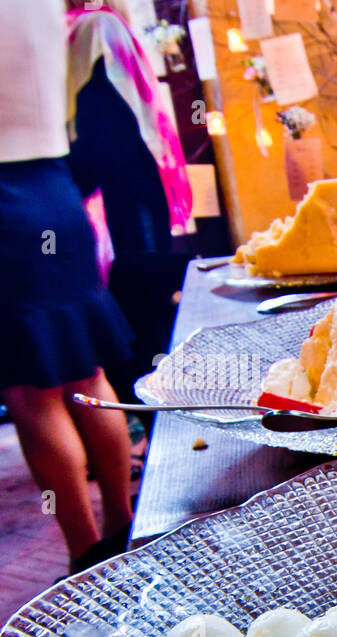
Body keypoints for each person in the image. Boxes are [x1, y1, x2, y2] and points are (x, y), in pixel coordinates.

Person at [0, 0, 136, 572]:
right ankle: (125, 525)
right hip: (57, 190)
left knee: (34, 393)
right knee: (86, 372)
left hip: (7, 198)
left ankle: (87, 552)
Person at [66, 0, 193, 399]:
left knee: (135, 299)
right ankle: (147, 406)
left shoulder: (76, 31)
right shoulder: (99, 27)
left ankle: (144, 405)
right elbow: (120, 121)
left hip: (103, 188)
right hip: (127, 186)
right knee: (141, 297)